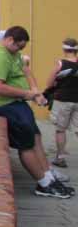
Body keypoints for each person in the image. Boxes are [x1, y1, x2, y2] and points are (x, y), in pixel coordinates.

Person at [0, 26, 73, 198]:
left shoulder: (12, 53)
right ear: (9, 40)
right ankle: (43, 184)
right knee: (27, 145)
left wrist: (36, 93)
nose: (20, 51)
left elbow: (26, 71)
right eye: (19, 46)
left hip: (17, 103)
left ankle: (48, 176)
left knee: (36, 136)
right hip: (4, 105)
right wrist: (27, 94)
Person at [46, 38, 78, 168]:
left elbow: (50, 84)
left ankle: (60, 158)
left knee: (60, 130)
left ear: (64, 49)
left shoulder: (60, 64)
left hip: (62, 100)